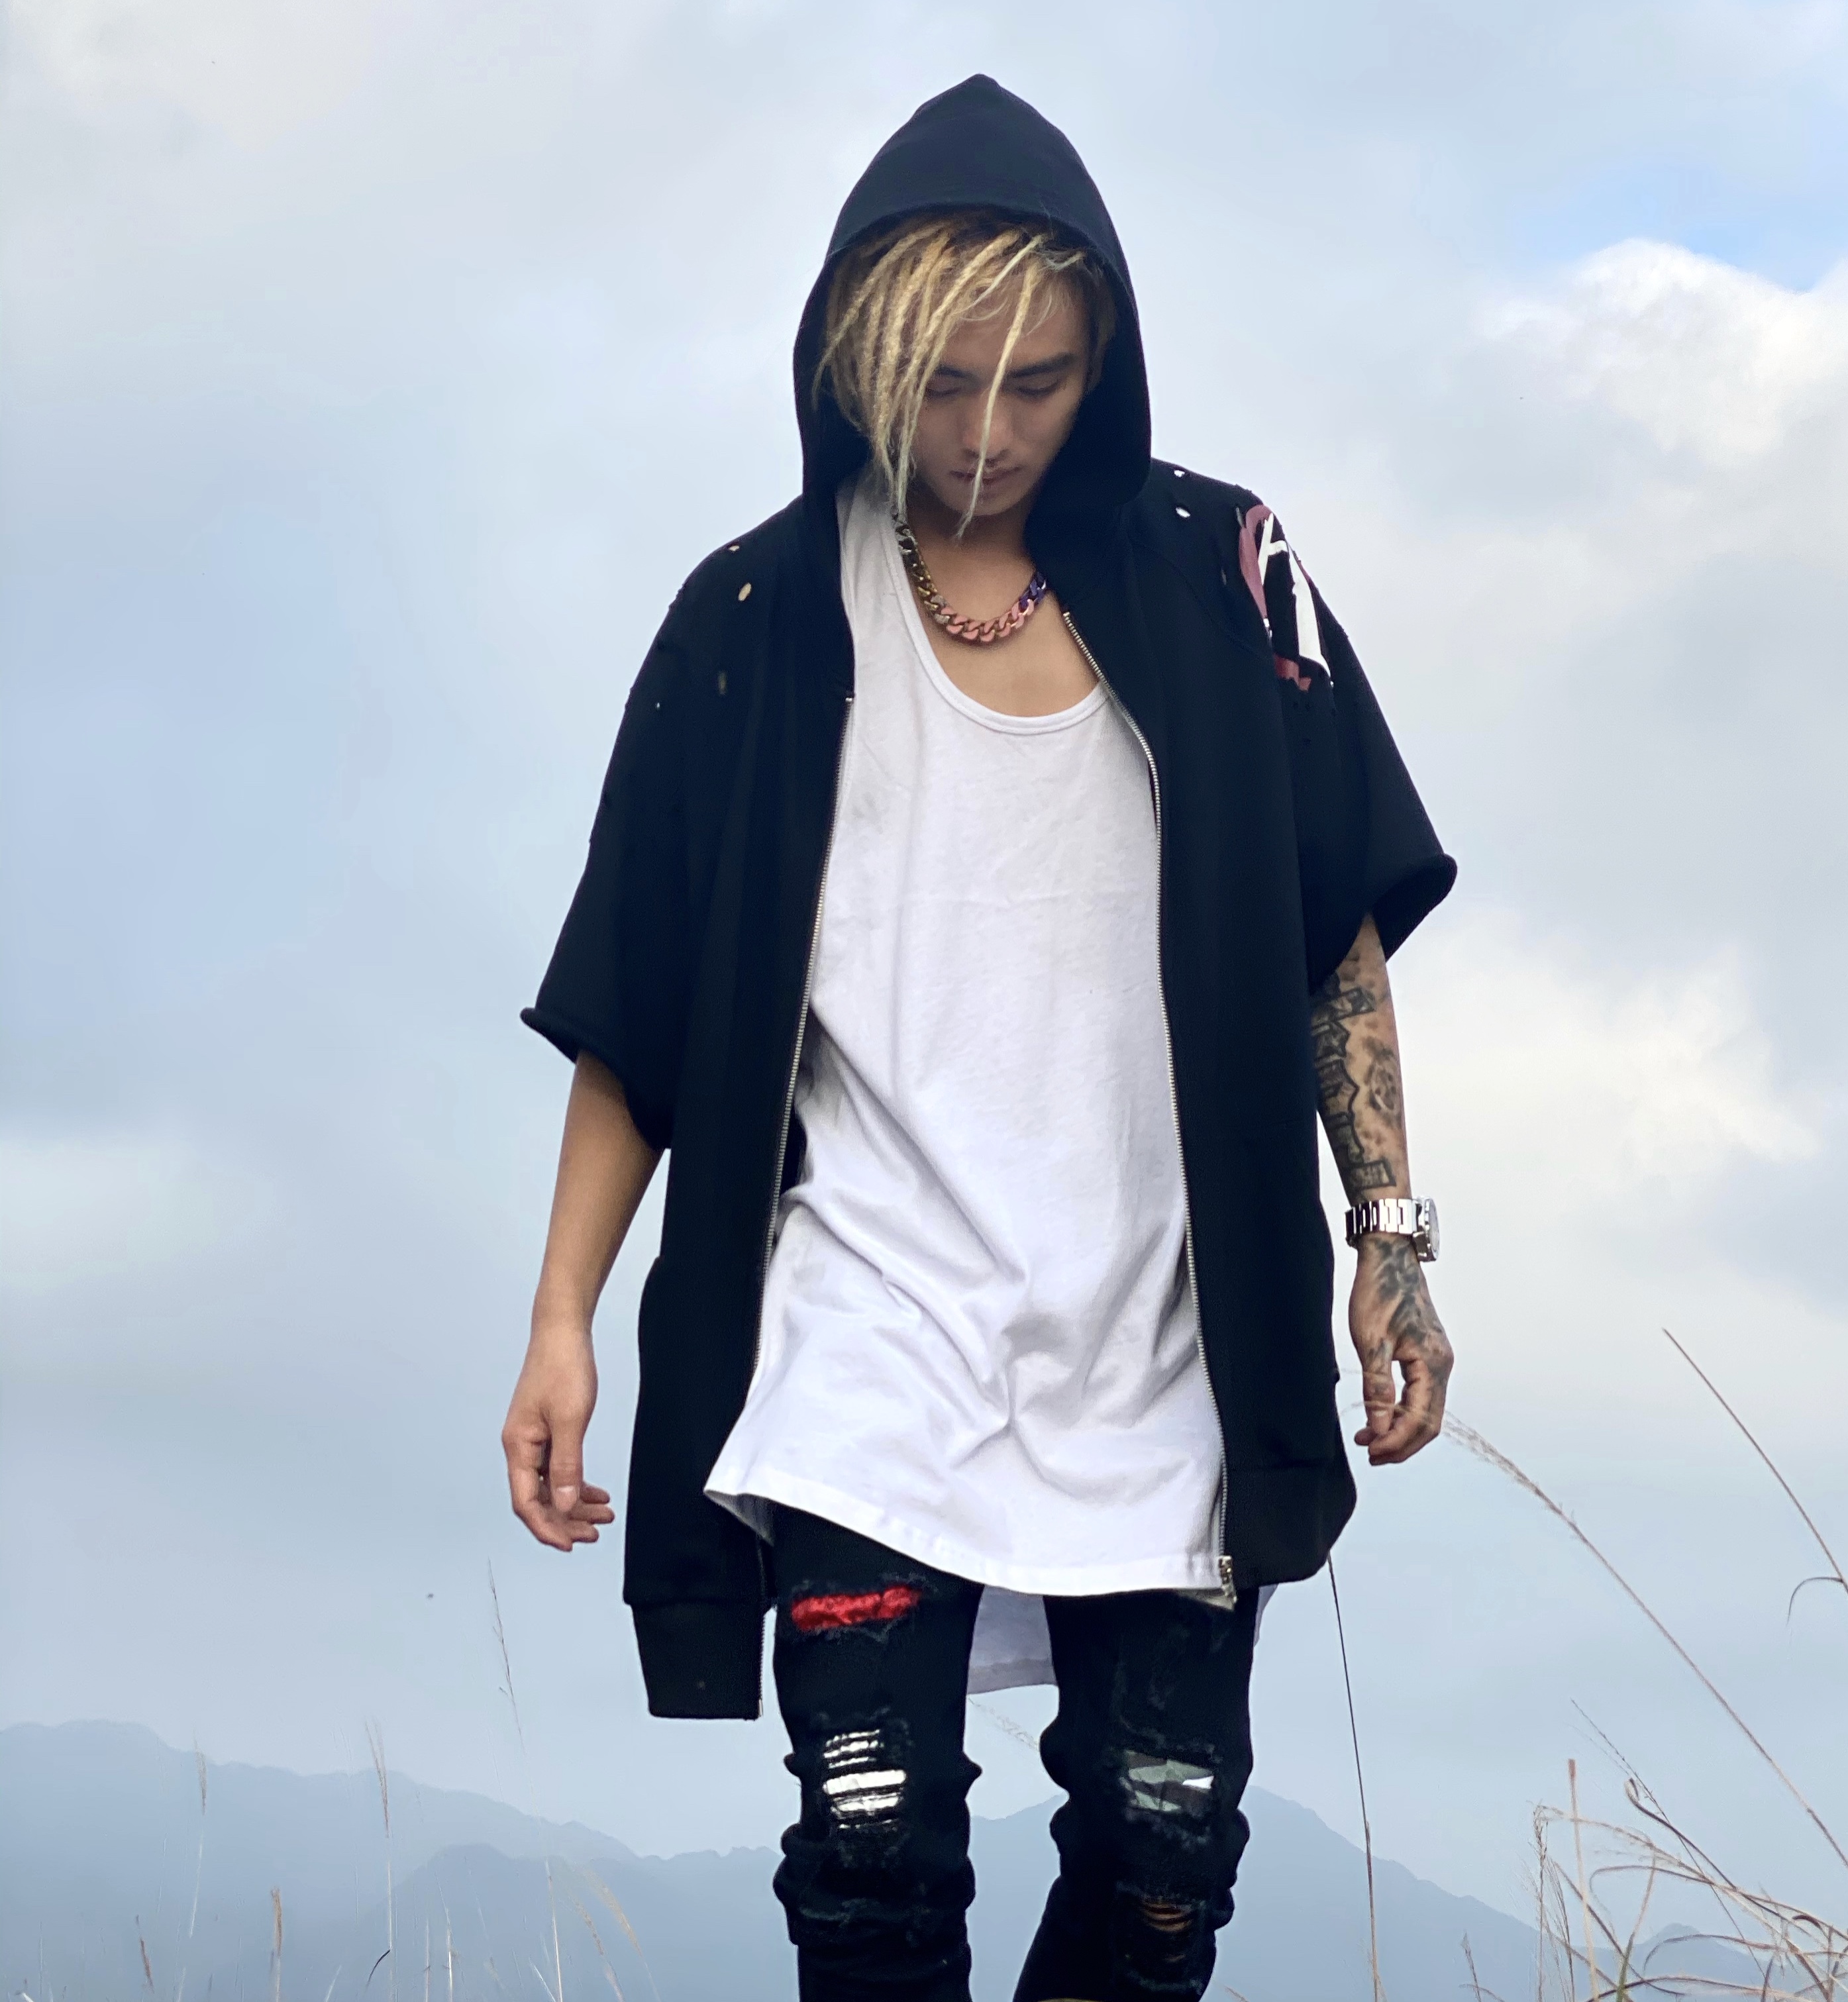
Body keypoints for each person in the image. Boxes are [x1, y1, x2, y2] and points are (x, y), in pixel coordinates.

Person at [503, 74, 1456, 2002]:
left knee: (1165, 1861)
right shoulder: (754, 618)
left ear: (1106, 363)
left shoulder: (1230, 575)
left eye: (1042, 381)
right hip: (869, 1329)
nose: (990, 432)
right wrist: (560, 1322)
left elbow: (1332, 937)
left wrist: (1393, 1244)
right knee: (870, 1861)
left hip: (1166, 1335)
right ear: (860, 356)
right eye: (944, 383)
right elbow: (641, 1009)